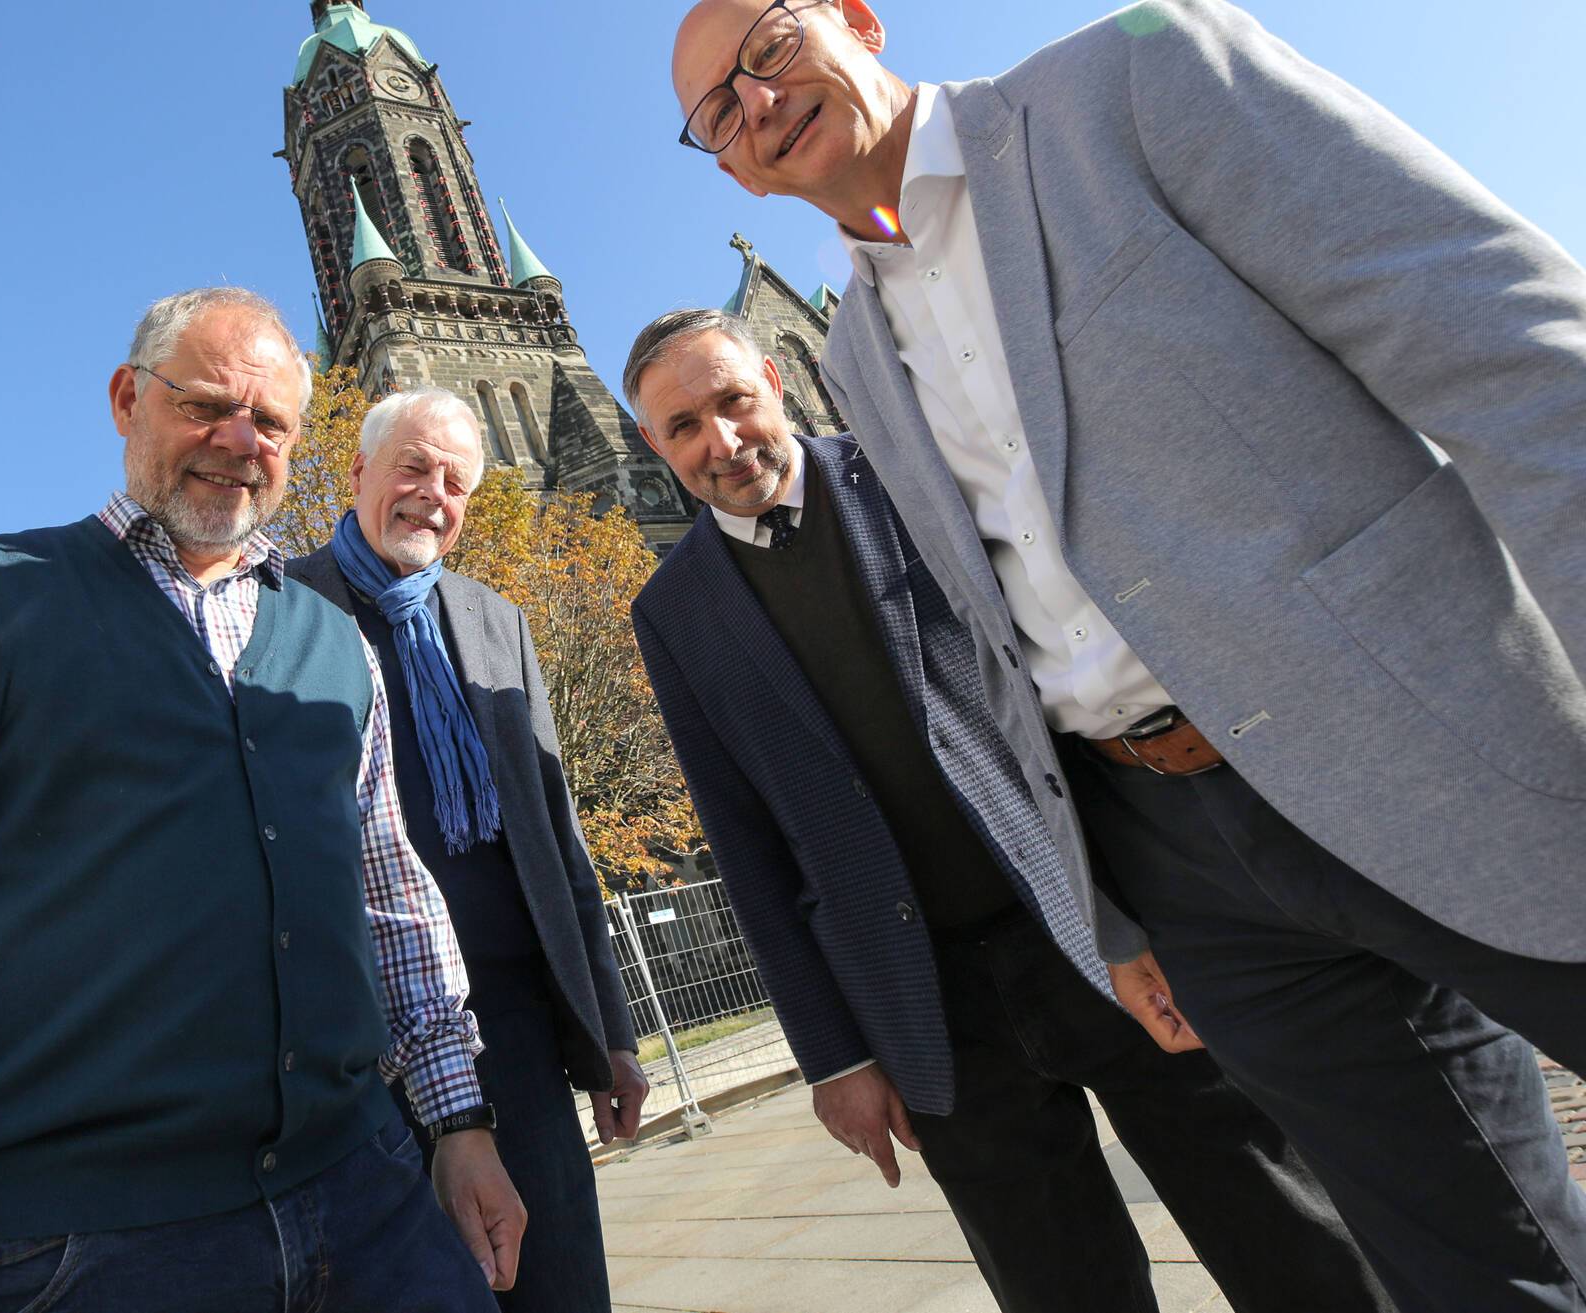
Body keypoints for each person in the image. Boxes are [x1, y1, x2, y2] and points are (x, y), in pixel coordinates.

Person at [666, 1, 1586, 1308]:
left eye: (767, 46)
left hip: (1442, 745)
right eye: (716, 113)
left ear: (857, 19)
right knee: (1479, 1274)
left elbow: (1514, 353)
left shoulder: (1134, 82)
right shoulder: (856, 354)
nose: (753, 103)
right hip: (1195, 868)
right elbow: (1000, 647)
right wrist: (1102, 911)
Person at [0, 288, 525, 1313]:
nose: (238, 440)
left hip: (366, 1199)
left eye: (270, 422)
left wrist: (457, 1122)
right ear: (126, 398)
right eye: (205, 404)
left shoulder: (334, 645)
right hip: (78, 1246)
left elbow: (392, 899)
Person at [625, 310, 1386, 1313]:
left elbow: (1072, 689)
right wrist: (832, 1052)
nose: (718, 441)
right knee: (1055, 1284)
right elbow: (745, 841)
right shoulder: (670, 610)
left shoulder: (908, 475)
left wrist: (1173, 903)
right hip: (929, 999)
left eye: (731, 401)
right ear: (653, 444)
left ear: (773, 377)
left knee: (1277, 1219)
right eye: (682, 426)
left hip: (1097, 929)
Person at [290, 387, 650, 1313]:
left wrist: (610, 1031)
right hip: (358, 1050)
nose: (432, 494)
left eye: (455, 481)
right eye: (412, 466)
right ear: (359, 470)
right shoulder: (278, 607)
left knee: (559, 1286)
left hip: (517, 1031)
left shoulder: (497, 621)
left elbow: (559, 837)